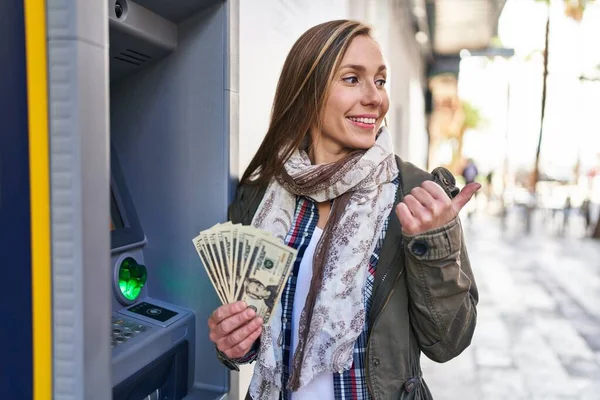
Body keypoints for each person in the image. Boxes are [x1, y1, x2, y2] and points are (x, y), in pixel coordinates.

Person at [207, 20, 479, 400]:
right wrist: (234, 342)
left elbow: (448, 343)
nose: (375, 98)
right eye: (352, 79)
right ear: (307, 92)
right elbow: (251, 329)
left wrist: (435, 247)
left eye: (380, 81)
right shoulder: (259, 196)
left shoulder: (416, 194)